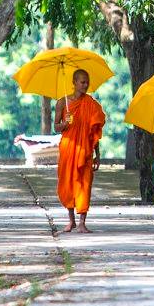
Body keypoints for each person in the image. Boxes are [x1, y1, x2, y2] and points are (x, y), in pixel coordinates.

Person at [55, 69, 105, 233]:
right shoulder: (62, 103)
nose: (85, 85)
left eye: (87, 82)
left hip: (85, 149)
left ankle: (82, 222)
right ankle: (71, 221)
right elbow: (56, 127)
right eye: (82, 82)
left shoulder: (92, 104)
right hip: (68, 148)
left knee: (84, 184)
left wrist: (98, 154)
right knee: (68, 183)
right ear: (74, 82)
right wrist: (65, 123)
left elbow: (94, 132)